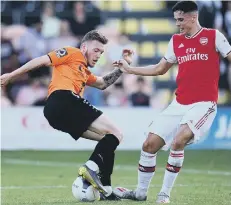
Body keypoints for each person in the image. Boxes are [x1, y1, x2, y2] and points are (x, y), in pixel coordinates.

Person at [113, 1, 231, 204]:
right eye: (176, 20)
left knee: (178, 140)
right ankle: (140, 193)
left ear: (193, 17)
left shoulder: (214, 36)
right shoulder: (176, 41)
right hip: (179, 103)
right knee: (149, 145)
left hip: (204, 104)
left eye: (181, 19)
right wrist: (130, 70)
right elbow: (160, 69)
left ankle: (164, 194)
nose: (178, 24)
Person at [0, 30, 134, 201]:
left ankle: (106, 190)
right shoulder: (72, 53)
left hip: (55, 114)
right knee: (117, 133)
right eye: (96, 50)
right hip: (63, 99)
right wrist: (11, 75)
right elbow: (41, 61)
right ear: (84, 47)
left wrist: (121, 69)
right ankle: (90, 167)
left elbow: (102, 84)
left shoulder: (84, 72)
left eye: (101, 52)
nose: (98, 54)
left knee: (108, 140)